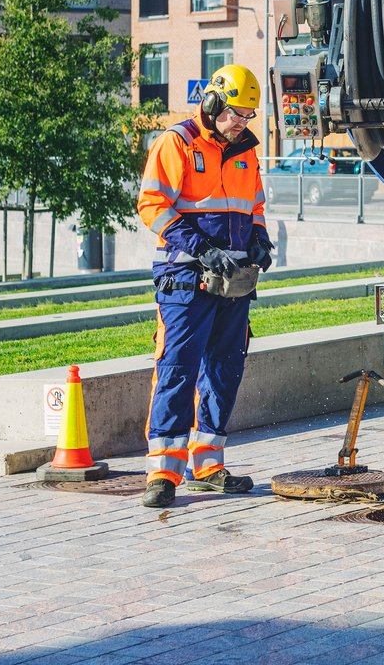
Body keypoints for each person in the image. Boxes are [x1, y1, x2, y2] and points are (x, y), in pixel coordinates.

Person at [136, 64, 275, 508]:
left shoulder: (246, 151)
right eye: (235, 112)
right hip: (183, 276)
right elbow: (151, 204)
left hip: (232, 279)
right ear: (213, 102)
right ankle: (163, 472)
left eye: (249, 115)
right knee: (178, 367)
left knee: (225, 367)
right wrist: (200, 247)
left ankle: (208, 465)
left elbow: (254, 205)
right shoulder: (176, 142)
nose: (241, 122)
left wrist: (260, 241)